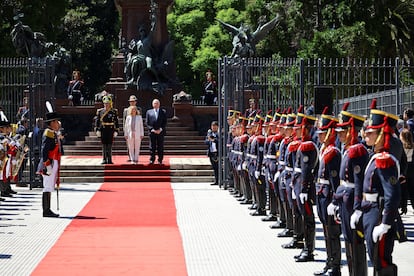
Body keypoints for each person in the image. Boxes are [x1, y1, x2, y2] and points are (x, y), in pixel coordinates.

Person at [361, 99, 403, 275]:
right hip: (371, 212)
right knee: (375, 258)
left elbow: (392, 195)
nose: (366, 135)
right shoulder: (376, 156)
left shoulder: (384, 160)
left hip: (379, 215)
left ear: (380, 134)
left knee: (382, 261)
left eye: (370, 133)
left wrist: (385, 223)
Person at [39, 106, 61, 217]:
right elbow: (44, 150)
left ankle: (48, 209)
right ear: (52, 123)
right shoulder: (48, 133)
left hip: (53, 162)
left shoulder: (53, 132)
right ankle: (46, 210)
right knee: (47, 186)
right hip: (48, 163)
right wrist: (47, 165)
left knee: (49, 186)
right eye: (56, 121)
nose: (58, 123)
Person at [95, 96, 119, 164]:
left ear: (110, 103)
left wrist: (116, 130)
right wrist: (97, 130)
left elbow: (116, 121)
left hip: (110, 129)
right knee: (104, 145)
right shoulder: (100, 111)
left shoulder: (113, 111)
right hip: (103, 129)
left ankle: (110, 159)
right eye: (105, 103)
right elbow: (97, 121)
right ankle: (104, 159)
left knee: (110, 145)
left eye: (108, 103)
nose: (106, 105)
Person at [145, 99, 167, 164]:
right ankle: (152, 159)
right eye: (154, 103)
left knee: (160, 146)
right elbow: (147, 122)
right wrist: (152, 129)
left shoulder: (163, 112)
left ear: (159, 104)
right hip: (152, 132)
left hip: (160, 132)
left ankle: (160, 159)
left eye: (157, 103)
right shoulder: (149, 112)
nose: (156, 104)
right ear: (152, 104)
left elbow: (165, 122)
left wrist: (160, 129)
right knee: (152, 146)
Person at [123, 95, 141, 161]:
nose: (132, 103)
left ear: (136, 102)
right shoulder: (126, 110)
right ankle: (130, 157)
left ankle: (135, 157)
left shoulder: (138, 109)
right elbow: (124, 120)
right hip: (129, 129)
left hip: (136, 129)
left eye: (133, 101)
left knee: (136, 145)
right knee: (129, 145)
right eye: (131, 101)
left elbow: (140, 120)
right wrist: (124, 130)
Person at [205, 121, 219, 185]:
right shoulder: (209, 133)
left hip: (217, 152)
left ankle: (219, 180)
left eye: (215, 126)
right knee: (214, 167)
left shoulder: (218, 134)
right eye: (212, 126)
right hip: (211, 152)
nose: (213, 128)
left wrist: (214, 140)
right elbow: (206, 141)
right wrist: (209, 140)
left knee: (218, 167)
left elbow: (219, 141)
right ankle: (216, 180)